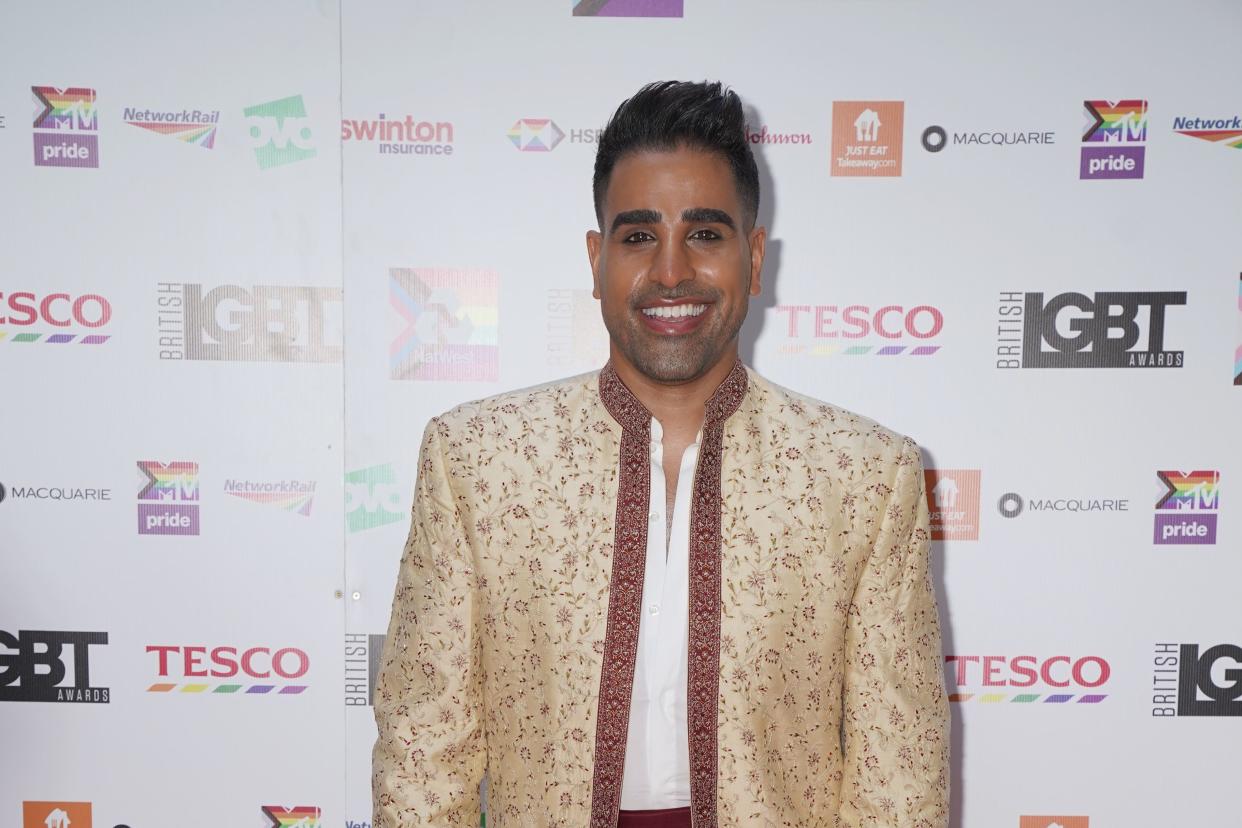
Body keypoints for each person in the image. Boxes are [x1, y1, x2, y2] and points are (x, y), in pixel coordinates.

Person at [373, 80, 949, 828]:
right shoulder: (479, 460)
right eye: (638, 236)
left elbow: (898, 777)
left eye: (705, 235)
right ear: (596, 258)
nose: (672, 272)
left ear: (752, 256)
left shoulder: (864, 475)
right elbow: (423, 755)